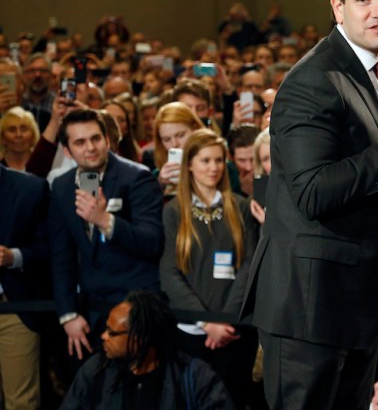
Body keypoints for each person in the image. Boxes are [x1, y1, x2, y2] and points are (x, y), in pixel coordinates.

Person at [239, 0, 378, 409]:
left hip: (355, 302)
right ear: (337, 6)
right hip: (311, 311)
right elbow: (311, 191)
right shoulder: (312, 80)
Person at [48, 109, 164, 360]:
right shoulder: (61, 186)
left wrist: (106, 221)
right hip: (91, 311)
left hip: (136, 308)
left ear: (107, 139)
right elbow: (61, 254)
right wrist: (67, 313)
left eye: (96, 138)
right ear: (67, 151)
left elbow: (152, 242)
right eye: (80, 142)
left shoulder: (137, 178)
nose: (90, 147)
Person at [161, 129, 257, 407]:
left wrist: (223, 320)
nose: (213, 168)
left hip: (232, 330)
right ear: (189, 164)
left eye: (218, 160)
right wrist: (206, 321)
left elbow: (249, 267)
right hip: (190, 332)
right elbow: (169, 273)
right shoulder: (174, 211)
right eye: (205, 161)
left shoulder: (240, 207)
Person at [60, 290, 236, 409]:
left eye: (112, 333)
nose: (103, 336)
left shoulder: (194, 377)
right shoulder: (96, 371)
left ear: (140, 337)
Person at [0, 164, 49, 409]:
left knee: (21, 402)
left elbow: (51, 248)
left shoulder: (31, 188)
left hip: (15, 307)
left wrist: (14, 257)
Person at [0, 105, 40, 171]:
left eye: (24, 129)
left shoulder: (44, 164)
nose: (18, 135)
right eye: (12, 130)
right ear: (3, 137)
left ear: (33, 134)